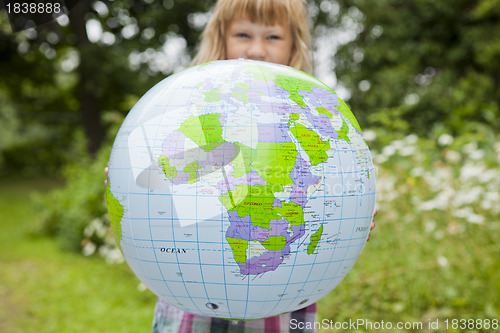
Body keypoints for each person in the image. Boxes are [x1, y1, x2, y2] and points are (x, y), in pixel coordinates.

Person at [106, 0, 376, 331]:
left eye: (273, 37)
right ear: (221, 38)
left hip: (281, 297)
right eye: (244, 34)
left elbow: (329, 188)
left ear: (295, 45)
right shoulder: (194, 112)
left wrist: (350, 213)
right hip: (194, 293)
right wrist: (131, 183)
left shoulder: (308, 119)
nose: (258, 49)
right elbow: (162, 178)